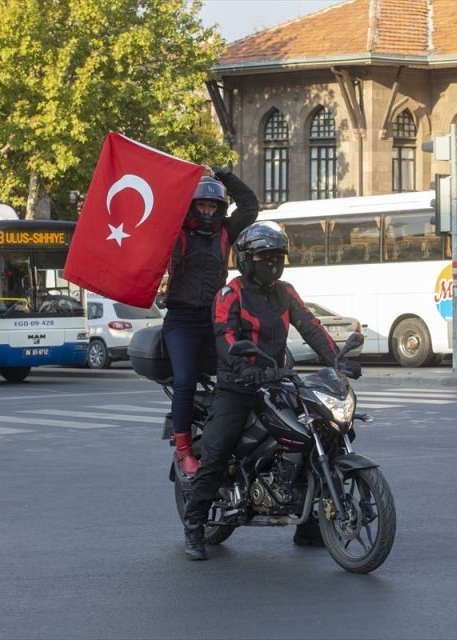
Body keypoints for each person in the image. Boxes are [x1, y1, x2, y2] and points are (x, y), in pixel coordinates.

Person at [181, 222, 360, 560]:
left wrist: (337, 359)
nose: (273, 263)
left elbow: (310, 325)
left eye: (278, 257)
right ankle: (194, 524)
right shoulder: (229, 293)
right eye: (265, 257)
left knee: (323, 432)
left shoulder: (285, 291)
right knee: (218, 450)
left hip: (278, 380)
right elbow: (225, 336)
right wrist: (244, 368)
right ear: (247, 260)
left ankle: (309, 526)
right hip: (238, 384)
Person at [162, 169, 258, 476]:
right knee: (185, 381)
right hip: (182, 319)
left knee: (241, 373)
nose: (207, 211)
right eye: (202, 205)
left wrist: (225, 176)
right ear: (192, 205)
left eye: (213, 206)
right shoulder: (175, 230)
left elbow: (250, 207)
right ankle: (184, 450)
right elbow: (155, 210)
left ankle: (230, 433)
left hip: (216, 318)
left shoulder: (226, 231)